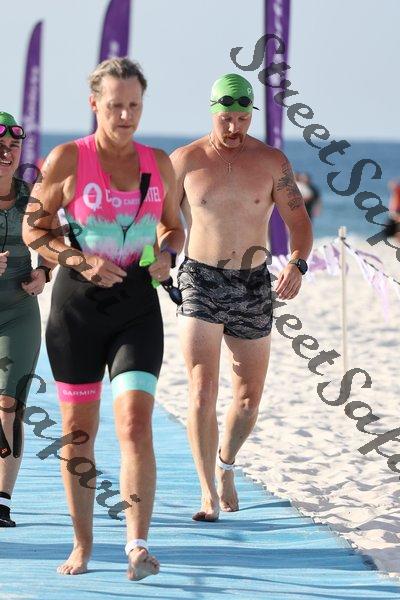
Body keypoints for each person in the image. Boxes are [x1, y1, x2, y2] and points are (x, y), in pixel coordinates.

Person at [22, 58, 184, 580]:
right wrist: (78, 259)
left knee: (135, 423)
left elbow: (173, 227)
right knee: (78, 432)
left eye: (134, 105)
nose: (125, 115)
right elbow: (33, 229)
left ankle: (137, 545)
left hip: (137, 308)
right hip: (77, 311)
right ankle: (83, 543)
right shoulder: (68, 158)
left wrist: (167, 254)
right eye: (115, 105)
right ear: (94, 104)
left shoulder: (158, 162)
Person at [171, 73, 313, 522]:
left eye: (242, 118)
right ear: (212, 111)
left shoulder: (272, 162)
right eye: (226, 118)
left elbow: (299, 224)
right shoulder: (185, 160)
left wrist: (297, 264)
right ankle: (206, 493)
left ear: (251, 113)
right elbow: (162, 220)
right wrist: (158, 256)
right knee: (202, 388)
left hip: (253, 284)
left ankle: (226, 464)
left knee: (249, 399)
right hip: (200, 280)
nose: (234, 127)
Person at [0, 112, 54, 527]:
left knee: (10, 404)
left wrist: (44, 272)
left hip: (19, 310)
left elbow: (54, 242)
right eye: (0, 146)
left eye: (13, 146)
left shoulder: (32, 198)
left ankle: (2, 499)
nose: (7, 153)